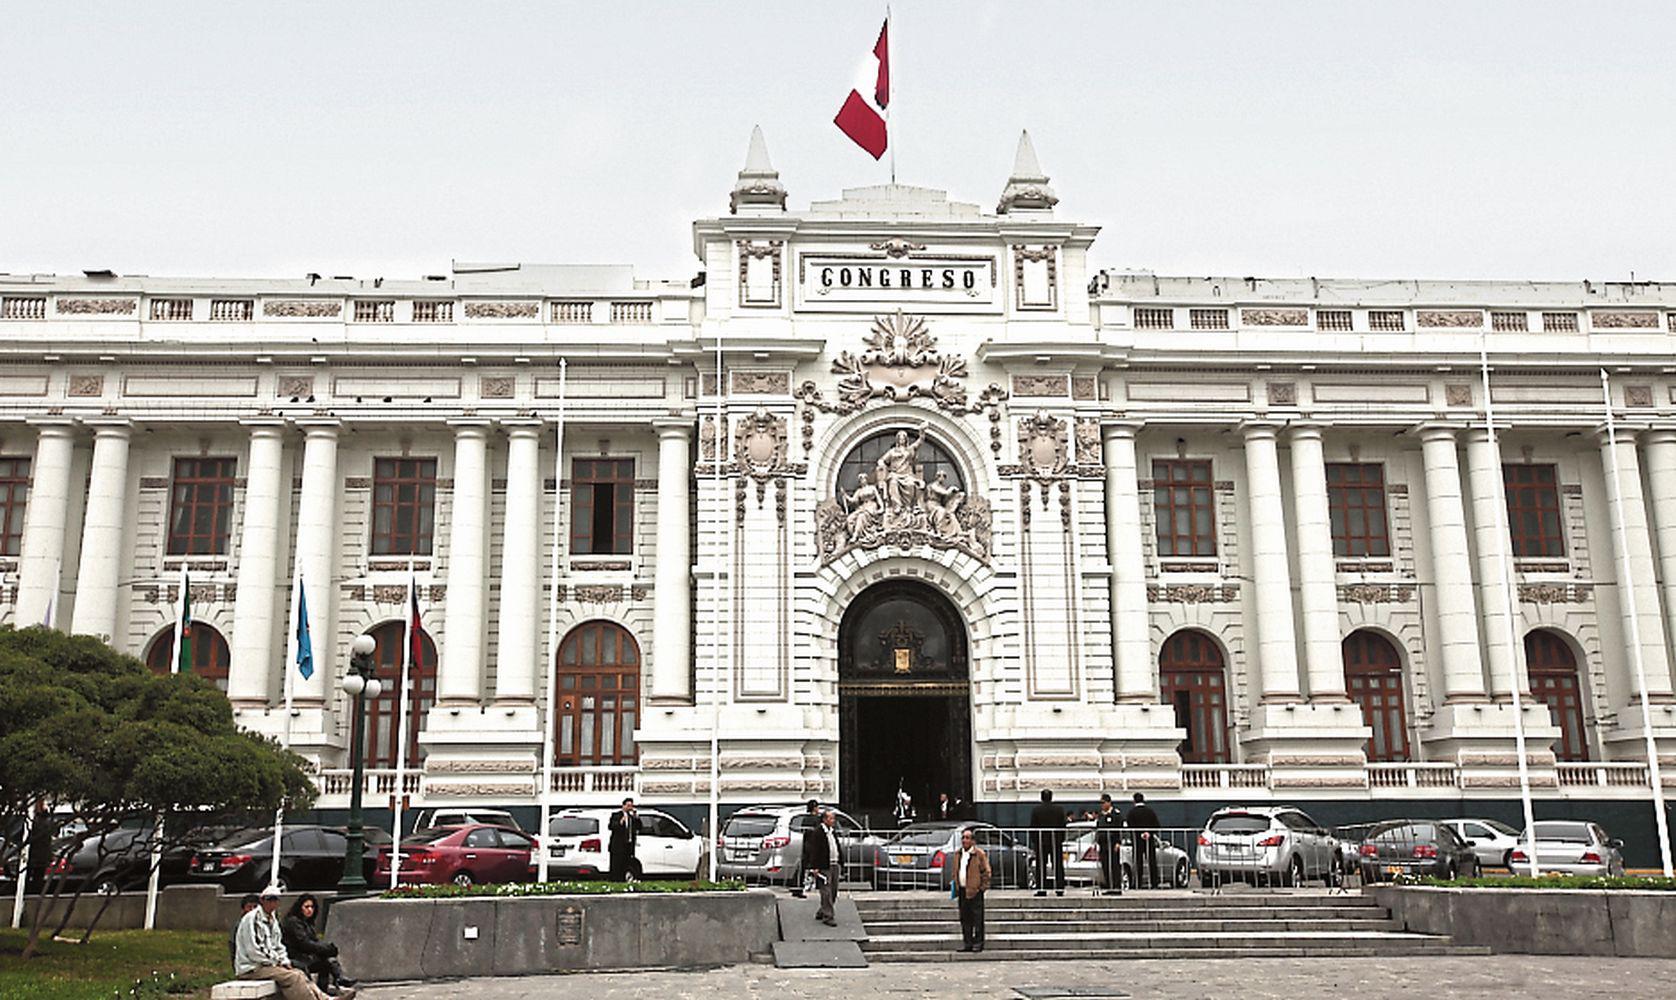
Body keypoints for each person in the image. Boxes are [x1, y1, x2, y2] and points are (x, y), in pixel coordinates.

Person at [234, 887, 346, 1000]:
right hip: (252, 968)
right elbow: (254, 951)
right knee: (293, 977)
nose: (272, 903)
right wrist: (276, 962)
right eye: (269, 899)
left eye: (275, 899)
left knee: (299, 973)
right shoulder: (252, 919)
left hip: (268, 964)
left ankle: (325, 998)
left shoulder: (273, 920)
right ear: (262, 900)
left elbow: (278, 945)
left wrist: (284, 960)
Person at [282, 893, 356, 994]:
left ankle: (331, 985)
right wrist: (325, 949)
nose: (310, 910)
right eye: (306, 907)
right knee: (325, 958)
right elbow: (304, 944)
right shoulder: (293, 922)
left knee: (327, 962)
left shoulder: (308, 923)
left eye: (312, 907)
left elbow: (314, 942)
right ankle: (334, 982)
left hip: (306, 957)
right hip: (296, 957)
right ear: (300, 907)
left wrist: (326, 949)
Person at [953, 826, 991, 953]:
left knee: (977, 918)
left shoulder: (978, 854)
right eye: (963, 838)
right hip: (962, 890)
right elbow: (956, 870)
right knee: (965, 918)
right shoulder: (958, 854)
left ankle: (978, 942)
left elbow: (986, 872)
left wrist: (982, 887)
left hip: (975, 890)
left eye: (967, 838)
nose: (964, 840)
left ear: (973, 841)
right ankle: (967, 942)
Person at [802, 809, 842, 927]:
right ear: (824, 820)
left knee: (833, 890)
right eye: (830, 818)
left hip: (835, 863)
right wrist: (815, 867)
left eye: (833, 818)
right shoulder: (818, 833)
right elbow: (814, 851)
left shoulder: (832, 832)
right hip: (824, 865)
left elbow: (836, 846)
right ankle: (828, 915)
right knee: (826, 890)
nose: (833, 821)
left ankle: (823, 909)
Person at [1029, 789, 1067, 897]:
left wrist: (1034, 841)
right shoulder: (1059, 809)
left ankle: (1041, 888)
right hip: (1055, 840)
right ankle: (1060, 888)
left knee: (1041, 866)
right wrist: (1061, 839)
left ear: (1041, 797)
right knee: (1058, 865)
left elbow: (1033, 826)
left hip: (1041, 841)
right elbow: (1063, 825)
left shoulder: (1036, 810)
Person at [1126, 791, 1162, 889]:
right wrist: (1148, 833)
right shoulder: (1150, 811)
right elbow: (1157, 825)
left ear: (1134, 801)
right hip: (1149, 840)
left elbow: (1129, 826)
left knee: (1138, 862)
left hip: (1137, 840)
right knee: (1152, 861)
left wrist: (1139, 833)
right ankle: (1154, 883)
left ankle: (1138, 883)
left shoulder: (1132, 813)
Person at [1094, 793, 1124, 895]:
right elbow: (1098, 828)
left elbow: (1119, 829)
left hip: (1112, 843)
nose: (1102, 805)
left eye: (1103, 803)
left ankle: (1116, 887)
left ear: (1109, 802)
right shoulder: (1101, 815)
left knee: (1114, 865)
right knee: (1105, 865)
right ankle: (1109, 885)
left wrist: (1118, 842)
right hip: (1103, 844)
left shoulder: (1116, 814)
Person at [791, 799, 820, 899]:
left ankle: (797, 887)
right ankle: (820, 887)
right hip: (814, 845)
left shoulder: (805, 819)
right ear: (815, 808)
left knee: (803, 867)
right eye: (817, 807)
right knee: (818, 866)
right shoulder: (817, 819)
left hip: (806, 844)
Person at [607, 797, 641, 882]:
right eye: (628, 805)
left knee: (626, 864)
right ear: (623, 806)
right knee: (616, 864)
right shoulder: (616, 815)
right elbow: (611, 826)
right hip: (618, 845)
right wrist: (620, 822)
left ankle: (623, 879)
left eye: (631, 806)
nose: (630, 808)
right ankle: (615, 880)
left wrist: (636, 817)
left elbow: (639, 827)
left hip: (628, 845)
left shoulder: (632, 817)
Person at [229, 893, 260, 969]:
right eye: (249, 907)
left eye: (255, 907)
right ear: (243, 910)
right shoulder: (239, 926)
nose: (252, 910)